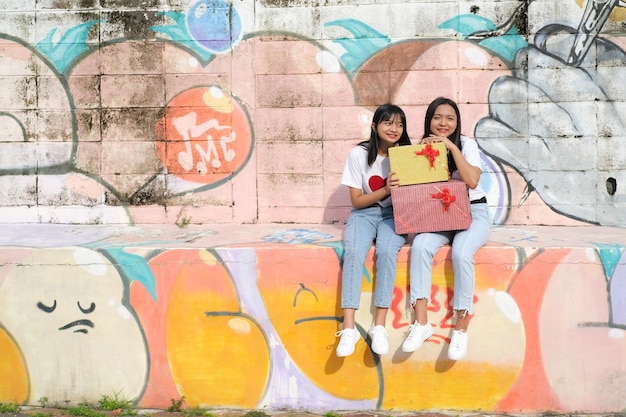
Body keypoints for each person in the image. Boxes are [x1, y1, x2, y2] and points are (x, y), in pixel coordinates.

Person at [401, 97, 491, 361]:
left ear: (457, 122)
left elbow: (473, 181)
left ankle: (461, 328)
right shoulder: (421, 148)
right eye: (437, 117)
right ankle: (421, 323)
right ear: (429, 119)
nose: (443, 123)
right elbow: (415, 191)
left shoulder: (467, 145)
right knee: (420, 246)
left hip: (474, 213)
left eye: (450, 118)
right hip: (440, 216)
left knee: (462, 253)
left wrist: (451, 147)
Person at [335, 103, 412, 357]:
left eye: (399, 124)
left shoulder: (408, 155)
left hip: (395, 214)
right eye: (388, 123)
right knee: (354, 253)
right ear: (374, 126)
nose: (394, 129)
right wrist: (385, 190)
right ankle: (348, 329)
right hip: (364, 214)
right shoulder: (358, 154)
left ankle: (379, 325)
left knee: (388, 252)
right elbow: (357, 201)